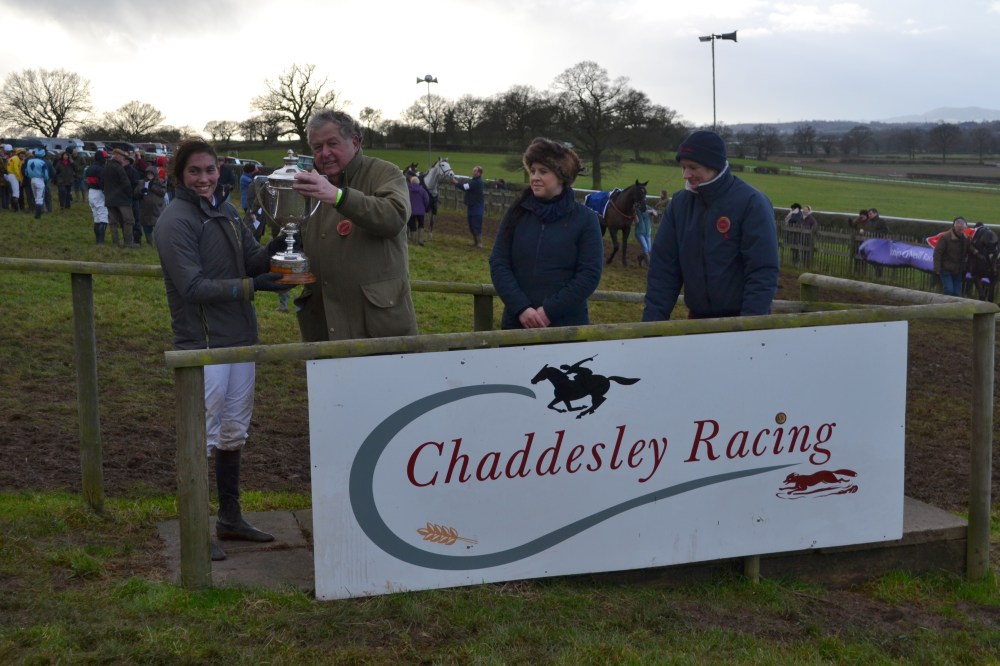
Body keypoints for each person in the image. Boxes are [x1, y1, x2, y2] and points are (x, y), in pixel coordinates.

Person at [153, 139, 291, 561]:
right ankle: (196, 525)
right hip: (205, 345)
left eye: (209, 170)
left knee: (233, 433)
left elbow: (250, 261)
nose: (204, 178)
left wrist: (280, 239)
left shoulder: (227, 211)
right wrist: (254, 287)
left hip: (241, 341)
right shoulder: (174, 220)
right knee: (202, 438)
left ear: (219, 172)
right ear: (179, 175)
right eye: (195, 171)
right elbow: (191, 287)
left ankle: (230, 519)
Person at [290, 109, 418, 342]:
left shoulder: (384, 172)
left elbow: (394, 217)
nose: (325, 153)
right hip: (323, 326)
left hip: (376, 328)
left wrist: (339, 197)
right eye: (318, 148)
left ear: (356, 142)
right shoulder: (312, 184)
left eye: (332, 144)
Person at [643, 130, 779, 321]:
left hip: (741, 320)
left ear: (713, 165)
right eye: (683, 167)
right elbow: (663, 269)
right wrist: (651, 327)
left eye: (693, 167)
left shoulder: (751, 203)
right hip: (698, 321)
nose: (685, 174)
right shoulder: (679, 204)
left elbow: (762, 271)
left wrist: (749, 329)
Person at [489, 137, 603, 329]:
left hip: (566, 328)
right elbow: (499, 262)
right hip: (517, 325)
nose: (535, 177)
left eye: (543, 171)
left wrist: (549, 311)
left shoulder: (585, 219)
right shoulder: (517, 213)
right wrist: (522, 308)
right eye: (532, 171)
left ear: (562, 176)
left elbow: (589, 274)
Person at [103, 149, 138, 247]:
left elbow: (102, 182)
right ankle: (128, 243)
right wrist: (130, 194)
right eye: (122, 156)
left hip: (109, 199)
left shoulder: (106, 166)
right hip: (122, 199)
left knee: (113, 222)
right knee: (129, 220)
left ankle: (115, 243)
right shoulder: (118, 167)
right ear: (117, 155)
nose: (123, 159)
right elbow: (126, 183)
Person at [933, 216, 970, 297]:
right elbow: (937, 253)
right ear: (954, 227)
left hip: (958, 270)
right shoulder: (945, 237)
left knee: (956, 293)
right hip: (946, 269)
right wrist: (937, 269)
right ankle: (945, 307)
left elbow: (970, 249)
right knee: (949, 290)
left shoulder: (966, 238)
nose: (961, 231)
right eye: (959, 229)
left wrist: (976, 252)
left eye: (962, 229)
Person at [454, 165, 485, 247]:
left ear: (479, 173)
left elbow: (465, 187)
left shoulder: (477, 182)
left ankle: (479, 243)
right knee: (471, 225)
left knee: (476, 224)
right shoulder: (474, 181)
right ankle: (475, 242)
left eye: (475, 171)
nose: (473, 172)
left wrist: (456, 183)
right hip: (471, 206)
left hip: (477, 207)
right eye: (473, 170)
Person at [135, 166, 166, 246]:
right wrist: (141, 192)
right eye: (148, 173)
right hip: (145, 209)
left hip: (157, 208)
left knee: (158, 226)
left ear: (155, 174)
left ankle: (158, 243)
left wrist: (152, 187)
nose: (149, 175)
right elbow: (136, 194)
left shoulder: (160, 182)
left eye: (151, 173)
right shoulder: (141, 182)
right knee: (146, 226)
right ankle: (150, 243)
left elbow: (162, 192)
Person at [85, 149, 109, 244]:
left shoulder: (89, 168)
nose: (106, 160)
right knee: (103, 217)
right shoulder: (102, 169)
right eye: (105, 158)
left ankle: (97, 241)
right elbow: (102, 183)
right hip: (99, 193)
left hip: (91, 192)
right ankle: (100, 242)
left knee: (96, 217)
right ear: (102, 158)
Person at [23, 149, 51, 219]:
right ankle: (38, 215)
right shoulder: (42, 162)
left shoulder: (29, 161)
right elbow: (46, 174)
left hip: (32, 180)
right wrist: (46, 179)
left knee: (35, 197)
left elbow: (26, 172)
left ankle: (36, 213)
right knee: (40, 198)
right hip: (40, 180)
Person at [407, 175, 430, 245]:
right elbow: (426, 200)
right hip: (420, 211)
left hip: (411, 211)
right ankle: (420, 240)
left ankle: (413, 240)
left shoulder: (408, 190)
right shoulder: (422, 190)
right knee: (421, 224)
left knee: (412, 225)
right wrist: (425, 208)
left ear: (411, 182)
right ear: (418, 182)